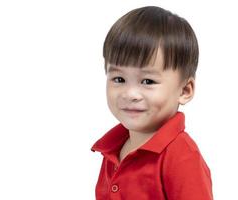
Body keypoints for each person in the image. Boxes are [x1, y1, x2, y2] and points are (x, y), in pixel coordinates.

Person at [91, 6, 213, 200]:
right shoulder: (112, 148)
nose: (130, 94)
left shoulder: (181, 156)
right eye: (119, 79)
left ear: (185, 90)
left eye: (148, 81)